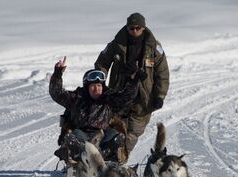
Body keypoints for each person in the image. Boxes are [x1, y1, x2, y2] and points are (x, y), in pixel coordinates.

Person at [95, 12, 169, 153]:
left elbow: (163, 74)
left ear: (143, 28)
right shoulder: (116, 44)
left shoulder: (154, 48)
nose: (134, 31)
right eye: (131, 28)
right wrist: (99, 82)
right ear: (127, 28)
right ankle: (105, 159)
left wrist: (159, 96)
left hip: (143, 98)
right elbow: (101, 63)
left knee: (134, 132)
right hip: (119, 95)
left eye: (138, 28)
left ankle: (120, 160)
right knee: (114, 129)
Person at [49, 56, 139, 164]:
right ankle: (83, 157)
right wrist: (58, 73)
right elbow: (56, 93)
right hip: (82, 136)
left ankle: (108, 162)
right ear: (87, 87)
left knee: (117, 137)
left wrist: (133, 80)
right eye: (93, 86)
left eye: (99, 85)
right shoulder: (77, 98)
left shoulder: (109, 98)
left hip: (103, 137)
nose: (96, 89)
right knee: (72, 137)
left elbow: (127, 97)